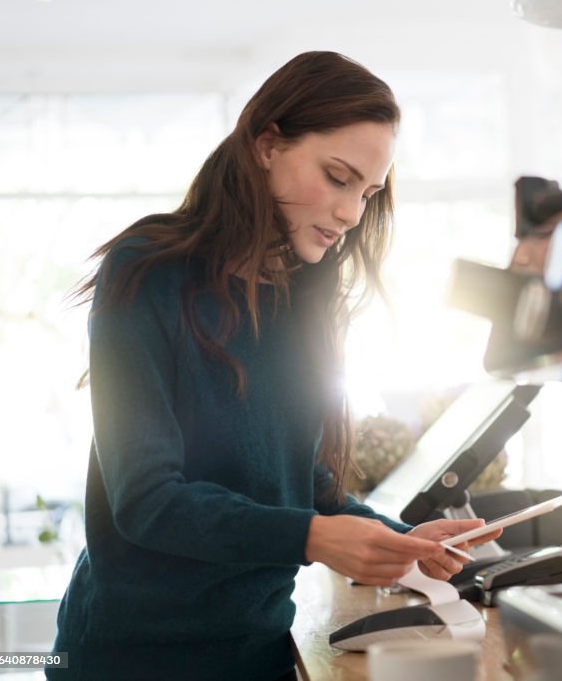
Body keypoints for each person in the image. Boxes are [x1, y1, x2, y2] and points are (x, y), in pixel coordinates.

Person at [49, 51, 499, 681]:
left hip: (256, 650)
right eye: (337, 177)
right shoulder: (146, 271)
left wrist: (403, 542)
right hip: (133, 657)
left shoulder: (299, 297)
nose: (350, 213)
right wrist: (310, 536)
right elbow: (147, 501)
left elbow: (302, 482)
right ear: (267, 144)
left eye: (367, 194)